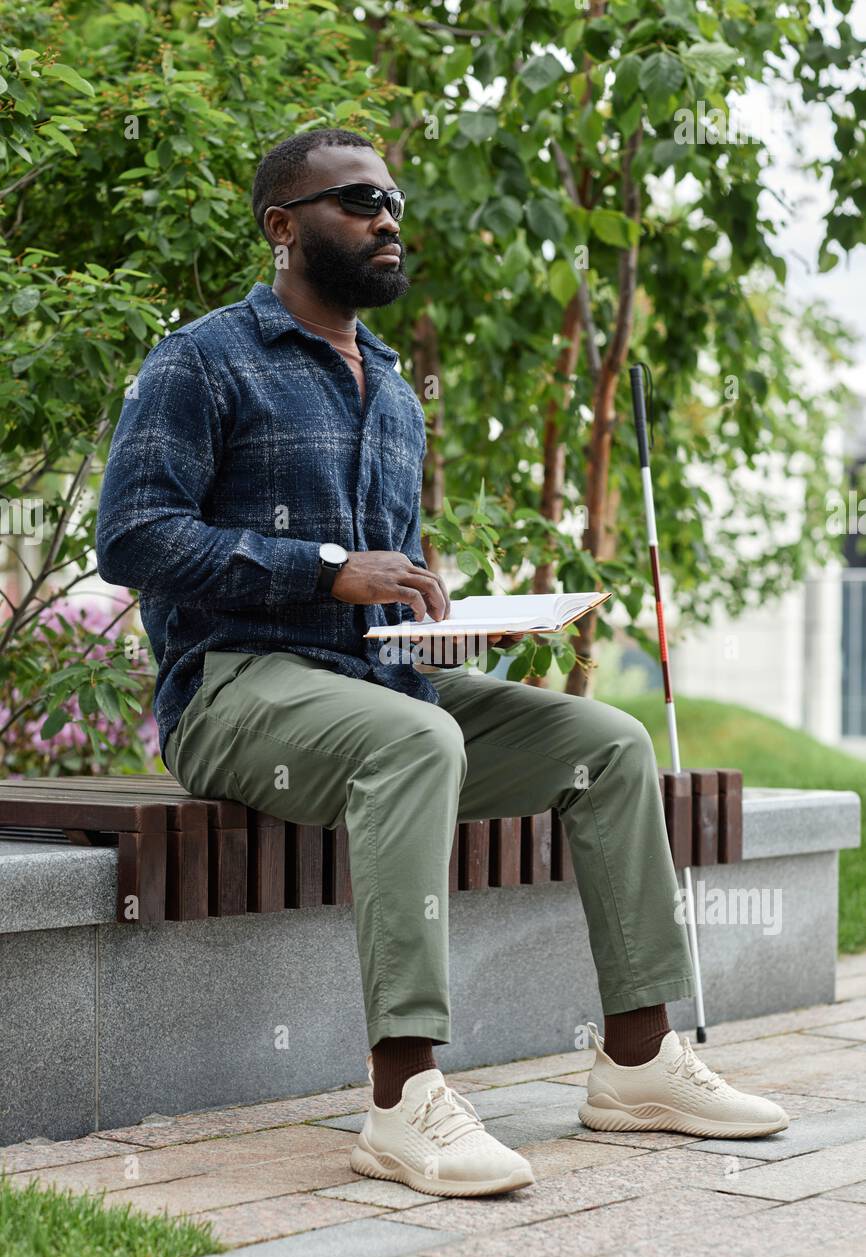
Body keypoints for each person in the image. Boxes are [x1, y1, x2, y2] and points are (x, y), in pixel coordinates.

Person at [95, 128, 788, 1200]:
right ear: (283, 227)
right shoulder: (202, 358)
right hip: (234, 691)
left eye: (394, 205)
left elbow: (388, 572)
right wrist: (325, 570)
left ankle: (639, 1061)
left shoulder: (395, 392)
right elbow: (134, 537)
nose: (385, 220)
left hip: (379, 681)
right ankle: (401, 1096)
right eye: (357, 200)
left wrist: (439, 610)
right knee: (415, 739)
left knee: (605, 742)